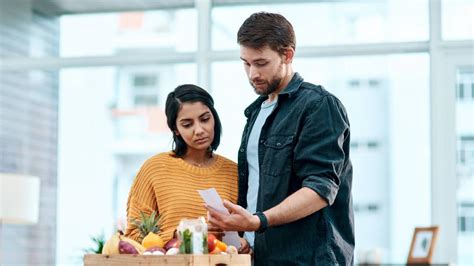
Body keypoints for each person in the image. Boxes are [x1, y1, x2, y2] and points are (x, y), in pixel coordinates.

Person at [206, 12, 354, 265]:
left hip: (310, 259)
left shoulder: (319, 106)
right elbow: (257, 192)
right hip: (262, 258)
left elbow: (320, 189)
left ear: (287, 55)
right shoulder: (256, 113)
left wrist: (258, 221)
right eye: (246, 63)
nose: (252, 73)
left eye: (261, 63)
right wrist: (245, 237)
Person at [124, 84, 239, 245]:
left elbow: (245, 232)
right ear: (175, 129)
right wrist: (181, 236)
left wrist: (244, 244)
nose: (199, 130)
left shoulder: (234, 173)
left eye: (205, 119)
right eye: (187, 124)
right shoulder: (154, 169)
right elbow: (133, 236)